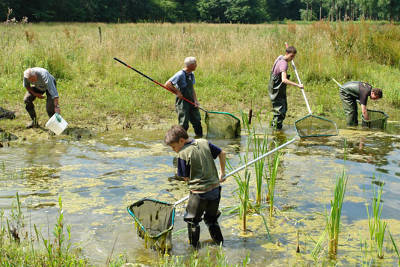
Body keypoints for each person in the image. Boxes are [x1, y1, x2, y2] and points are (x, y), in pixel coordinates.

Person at [165, 125, 226, 248]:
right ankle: (220, 245)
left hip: (199, 194)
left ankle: (193, 250)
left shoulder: (182, 154)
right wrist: (222, 173)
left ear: (181, 141)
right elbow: (222, 153)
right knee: (211, 219)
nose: (174, 150)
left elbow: (185, 177)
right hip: (215, 189)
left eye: (174, 147)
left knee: (192, 221)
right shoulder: (203, 142)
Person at [165, 57, 203, 137]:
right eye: (195, 64)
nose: (196, 65)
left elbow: (192, 88)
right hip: (182, 102)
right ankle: (181, 140)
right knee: (184, 123)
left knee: (197, 121)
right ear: (191, 65)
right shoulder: (180, 74)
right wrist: (178, 92)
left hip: (191, 101)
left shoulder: (191, 74)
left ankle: (199, 138)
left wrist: (195, 101)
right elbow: (168, 84)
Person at [268, 46, 304, 130]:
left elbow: (285, 55)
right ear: (287, 53)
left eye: (294, 57)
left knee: (279, 108)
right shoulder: (284, 64)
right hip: (277, 90)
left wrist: (289, 51)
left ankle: (273, 126)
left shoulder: (280, 57)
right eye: (291, 56)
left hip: (273, 88)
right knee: (280, 111)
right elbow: (284, 80)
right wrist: (298, 85)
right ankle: (276, 130)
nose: (292, 59)